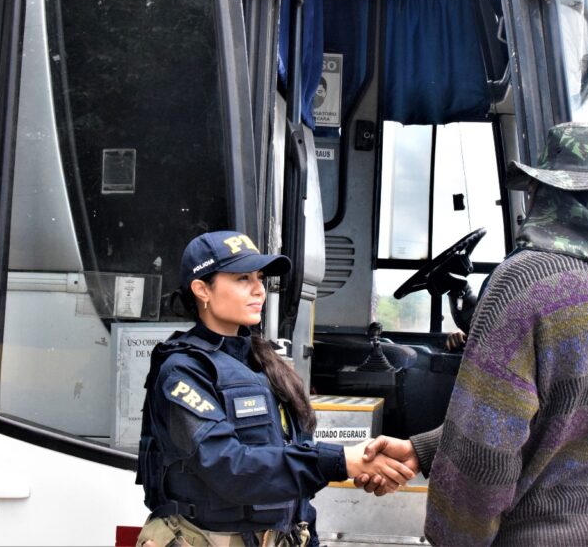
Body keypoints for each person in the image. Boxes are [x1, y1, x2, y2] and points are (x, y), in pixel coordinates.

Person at [356, 123, 588, 547]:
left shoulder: (525, 281)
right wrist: (426, 450)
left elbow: (486, 445)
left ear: (545, 195)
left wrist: (453, 538)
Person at [137, 230, 415, 547]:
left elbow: (291, 479)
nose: (259, 290)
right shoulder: (183, 371)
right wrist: (342, 461)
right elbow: (230, 468)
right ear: (202, 290)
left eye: (259, 278)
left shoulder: (263, 362)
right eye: (243, 279)